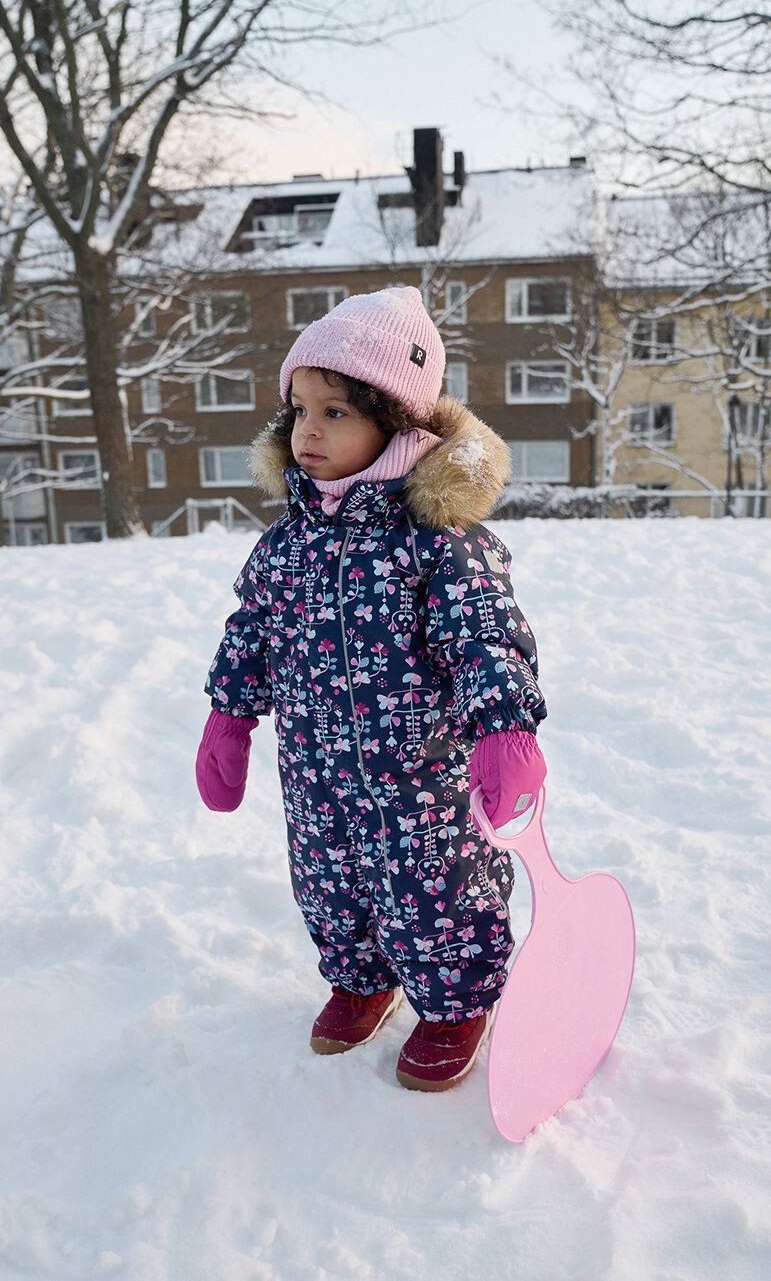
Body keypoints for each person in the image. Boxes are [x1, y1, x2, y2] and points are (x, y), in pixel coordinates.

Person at [196, 286, 548, 1092]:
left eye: (336, 412)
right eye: (299, 410)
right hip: (315, 771)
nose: (307, 431)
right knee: (327, 880)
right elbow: (250, 630)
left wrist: (504, 730)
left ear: (399, 425)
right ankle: (360, 978)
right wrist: (228, 719)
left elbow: (483, 635)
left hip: (417, 777)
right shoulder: (288, 542)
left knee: (435, 889)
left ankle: (456, 1001)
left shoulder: (438, 541)